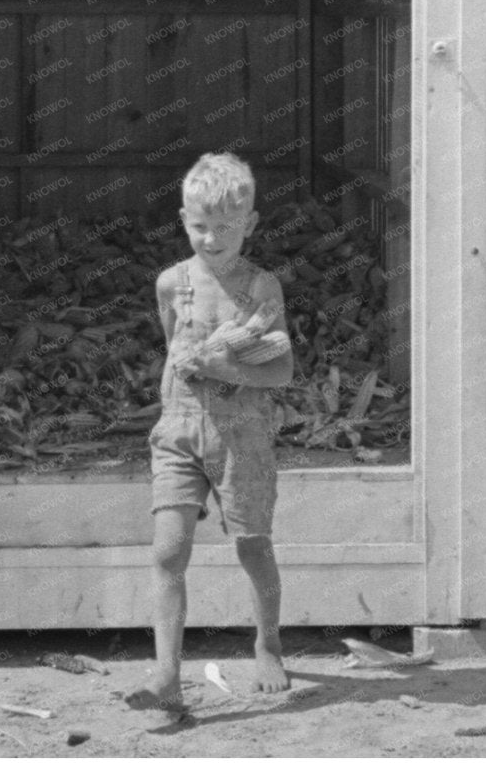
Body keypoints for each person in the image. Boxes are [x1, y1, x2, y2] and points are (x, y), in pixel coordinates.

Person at [127, 152, 295, 715]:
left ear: (250, 223)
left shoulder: (260, 287)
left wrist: (223, 367)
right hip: (178, 430)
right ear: (183, 219)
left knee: (252, 546)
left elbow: (280, 369)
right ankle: (165, 674)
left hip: (241, 434)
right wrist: (173, 402)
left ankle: (267, 643)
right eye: (200, 226)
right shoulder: (171, 283)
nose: (212, 238)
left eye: (226, 227)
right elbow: (173, 348)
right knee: (168, 551)